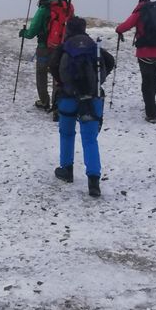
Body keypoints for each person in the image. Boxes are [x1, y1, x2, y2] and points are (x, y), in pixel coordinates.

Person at [50, 16, 115, 197]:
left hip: (68, 96)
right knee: (89, 139)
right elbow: (110, 62)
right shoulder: (94, 46)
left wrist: (62, 82)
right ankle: (93, 182)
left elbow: (52, 65)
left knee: (67, 133)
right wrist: (98, 81)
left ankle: (66, 170)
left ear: (68, 29)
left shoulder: (64, 47)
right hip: (92, 98)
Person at [115, 0, 156, 123]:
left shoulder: (140, 12)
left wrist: (118, 30)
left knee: (146, 81)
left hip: (145, 54)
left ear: (140, 3)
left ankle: (151, 114)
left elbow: (124, 26)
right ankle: (151, 102)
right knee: (155, 78)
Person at [19, 0, 53, 110]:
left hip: (44, 47)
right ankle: (58, 103)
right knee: (58, 75)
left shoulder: (43, 10)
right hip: (60, 48)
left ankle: (44, 101)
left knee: (41, 74)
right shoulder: (65, 6)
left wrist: (23, 33)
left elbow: (31, 33)